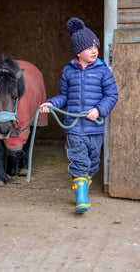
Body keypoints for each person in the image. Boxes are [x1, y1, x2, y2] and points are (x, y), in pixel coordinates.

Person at [40, 17, 118, 214]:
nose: (94, 51)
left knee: (93, 163)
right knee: (79, 161)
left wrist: (99, 109)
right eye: (89, 47)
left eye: (96, 47)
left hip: (95, 127)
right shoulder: (68, 72)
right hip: (74, 127)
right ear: (78, 51)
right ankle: (81, 199)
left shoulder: (103, 71)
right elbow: (64, 96)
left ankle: (84, 185)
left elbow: (112, 95)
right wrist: (51, 104)